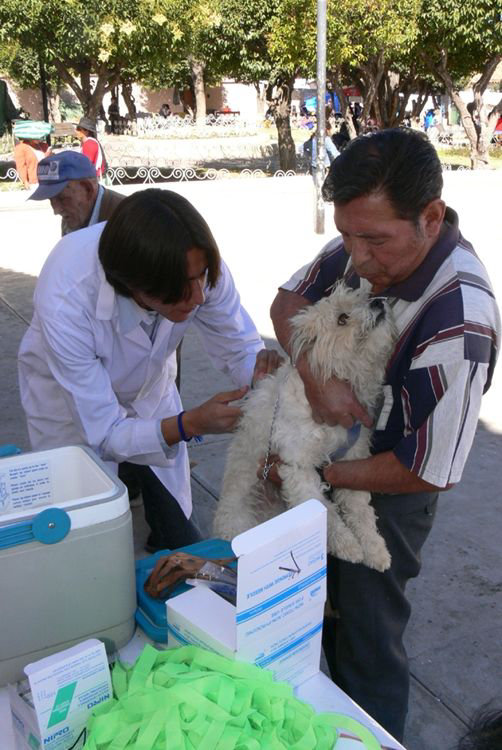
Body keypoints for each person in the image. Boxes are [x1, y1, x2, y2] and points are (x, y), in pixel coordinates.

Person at [269, 128, 500, 741]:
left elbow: (426, 469)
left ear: (431, 217)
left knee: (368, 638)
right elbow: (288, 300)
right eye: (347, 235)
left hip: (387, 493)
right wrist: (318, 380)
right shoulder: (362, 242)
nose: (358, 257)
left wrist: (318, 477)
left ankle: (370, 732)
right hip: (326, 458)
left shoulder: (459, 324)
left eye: (374, 239)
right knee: (312, 610)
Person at [18, 188, 279, 553]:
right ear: (133, 286)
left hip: (149, 392)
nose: (199, 296)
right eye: (180, 290)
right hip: (67, 410)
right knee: (88, 541)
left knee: (177, 531)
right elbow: (104, 432)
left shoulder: (195, 268)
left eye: (202, 277)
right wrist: (191, 424)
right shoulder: (67, 296)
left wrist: (265, 384)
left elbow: (239, 347)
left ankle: (165, 541)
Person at [29, 150, 123, 235]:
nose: (56, 210)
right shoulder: (73, 218)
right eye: (51, 200)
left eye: (62, 199)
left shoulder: (127, 217)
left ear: (87, 189)